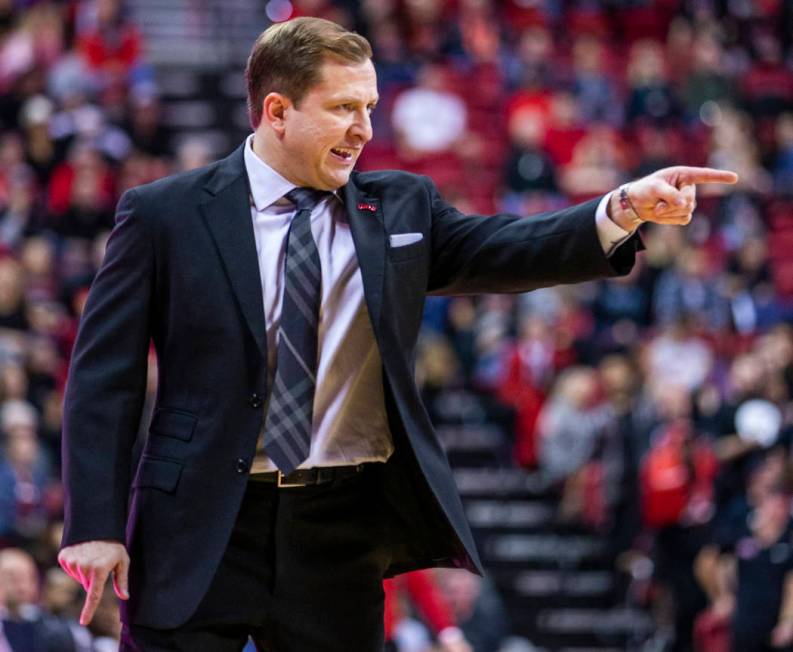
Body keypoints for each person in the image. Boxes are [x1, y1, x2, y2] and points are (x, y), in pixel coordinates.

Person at [55, 16, 738, 652]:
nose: (362, 128)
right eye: (343, 108)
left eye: (370, 108)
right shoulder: (164, 214)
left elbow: (507, 247)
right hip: (198, 521)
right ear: (277, 112)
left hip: (340, 525)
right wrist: (93, 523)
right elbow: (103, 378)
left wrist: (619, 208)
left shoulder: (400, 205)